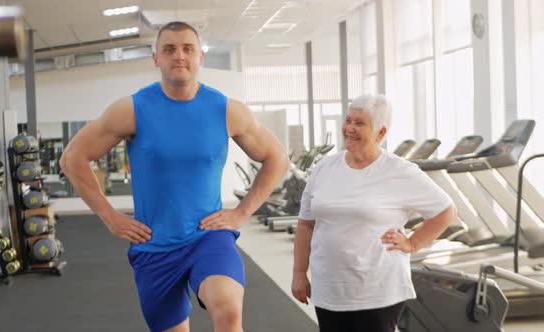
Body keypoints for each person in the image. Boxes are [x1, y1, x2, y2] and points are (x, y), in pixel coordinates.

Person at [60, 21, 289, 332]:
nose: (179, 56)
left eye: (187, 49)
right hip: (154, 244)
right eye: (169, 49)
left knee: (228, 311)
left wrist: (242, 211)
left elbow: (277, 157)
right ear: (156, 58)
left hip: (208, 236)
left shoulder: (227, 110)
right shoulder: (131, 109)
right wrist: (109, 216)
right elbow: (73, 158)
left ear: (200, 57)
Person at [291, 94, 456, 332]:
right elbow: (306, 224)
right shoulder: (324, 168)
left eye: (360, 123)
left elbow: (445, 210)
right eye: (348, 120)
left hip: (378, 289)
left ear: (380, 133)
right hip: (330, 287)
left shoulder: (400, 171)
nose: (349, 128)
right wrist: (299, 272)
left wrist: (412, 243)